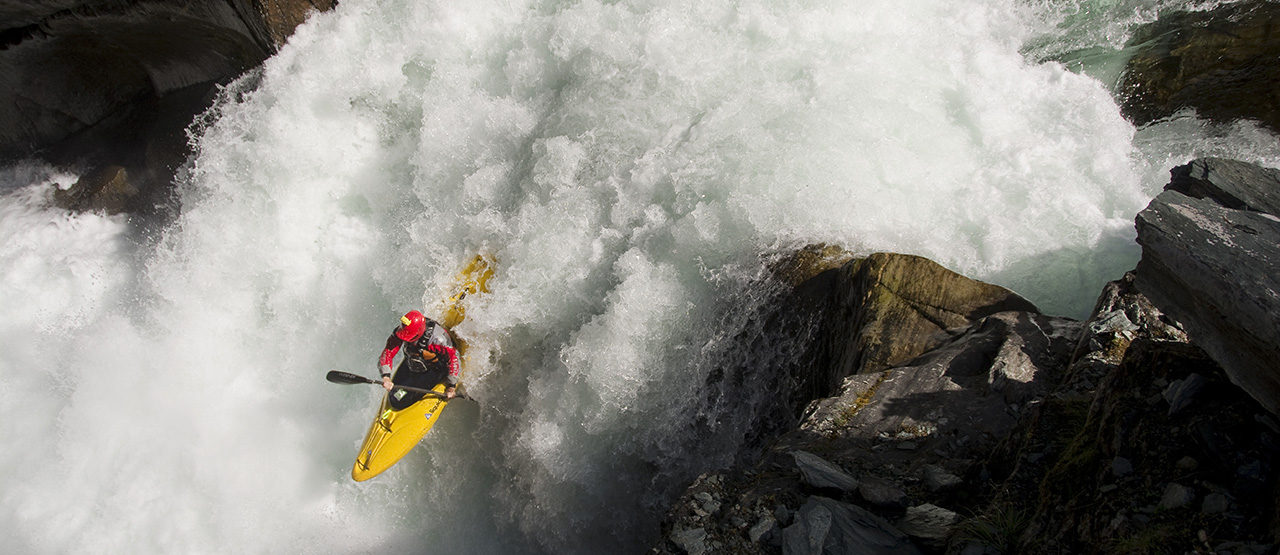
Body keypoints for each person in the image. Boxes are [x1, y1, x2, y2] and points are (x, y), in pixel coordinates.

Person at [378, 310, 460, 399]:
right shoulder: (403, 329)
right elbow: (388, 351)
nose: (405, 339)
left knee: (398, 401)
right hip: (414, 363)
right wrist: (386, 376)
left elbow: (454, 358)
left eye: (409, 337)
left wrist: (452, 386)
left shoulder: (438, 340)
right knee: (393, 396)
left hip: (435, 368)